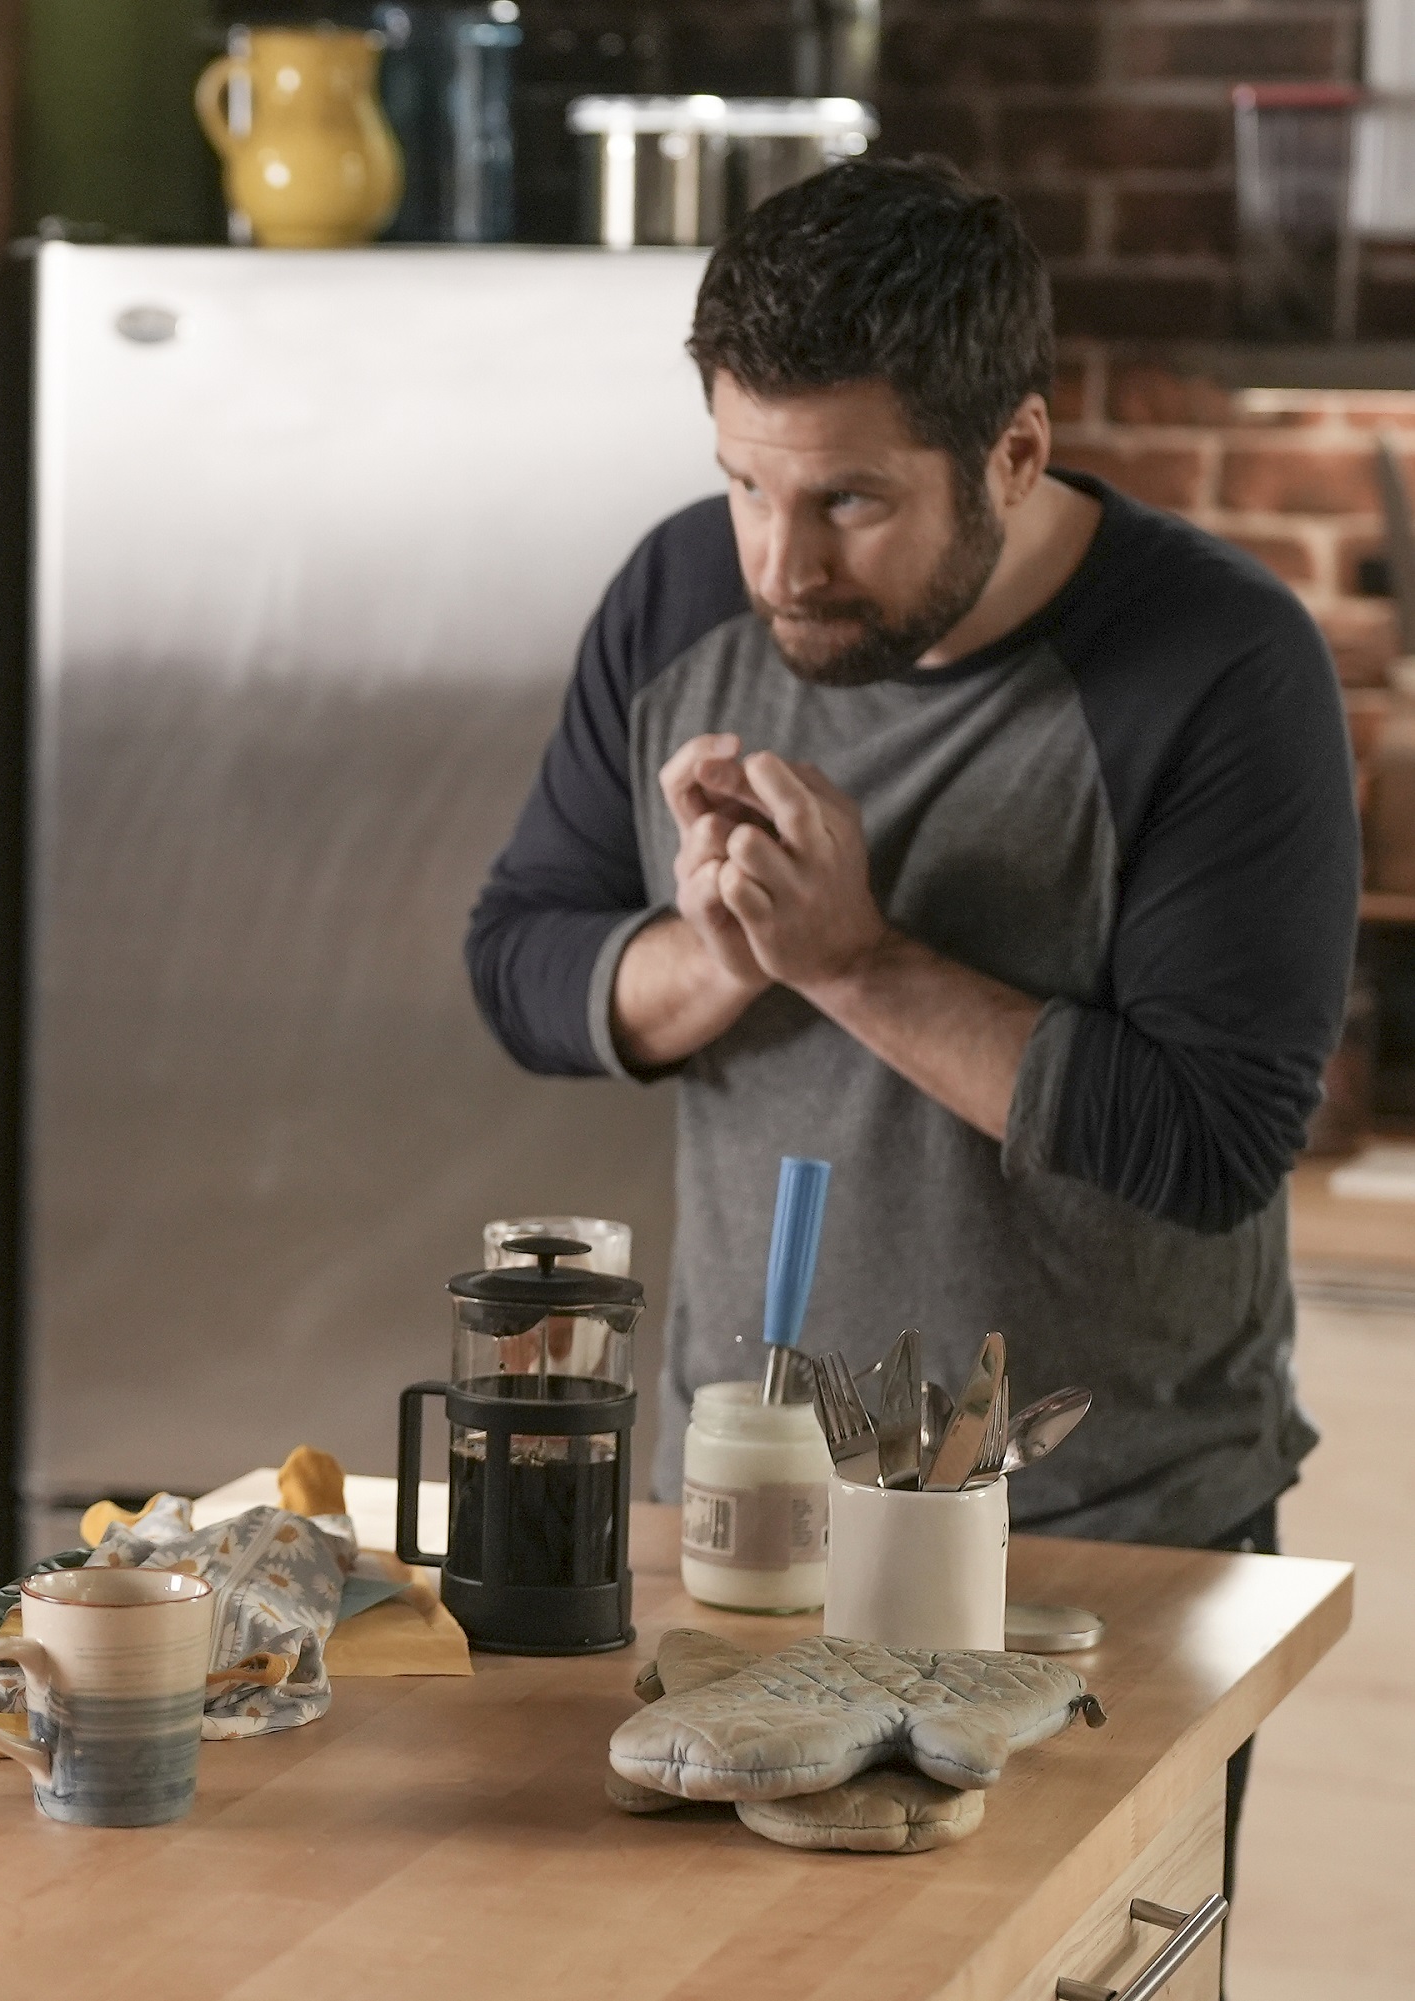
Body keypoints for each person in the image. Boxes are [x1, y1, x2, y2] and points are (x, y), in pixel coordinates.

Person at [464, 158, 1356, 1908]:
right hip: (738, 1521)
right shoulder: (675, 600)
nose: (783, 567)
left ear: (1014, 454)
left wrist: (857, 961)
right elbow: (522, 962)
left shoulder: (1220, 667)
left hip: (1110, 1537)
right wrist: (726, 953)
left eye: (852, 504)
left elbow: (1210, 1139)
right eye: (744, 485)